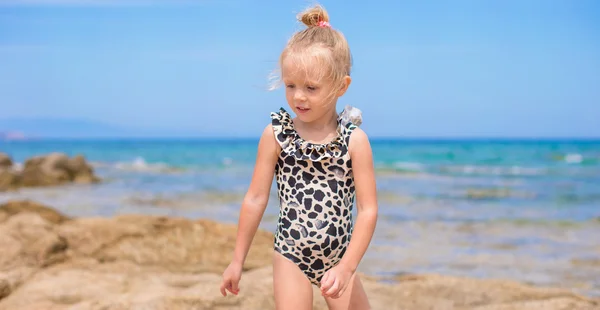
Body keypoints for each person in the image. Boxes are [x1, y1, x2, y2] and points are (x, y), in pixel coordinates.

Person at [220, 3, 378, 310]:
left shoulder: (354, 141)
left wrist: (346, 267)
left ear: (341, 87)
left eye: (311, 87)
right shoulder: (277, 135)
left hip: (339, 255)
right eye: (290, 85)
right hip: (291, 254)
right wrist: (237, 261)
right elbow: (255, 199)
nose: (298, 96)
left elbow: (368, 210)